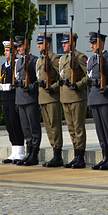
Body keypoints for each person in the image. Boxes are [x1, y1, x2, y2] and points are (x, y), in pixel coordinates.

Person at [86, 31, 108, 170]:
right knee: (100, 130)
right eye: (91, 43)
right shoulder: (91, 60)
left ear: (102, 43)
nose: (92, 45)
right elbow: (88, 81)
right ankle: (104, 156)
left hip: (105, 98)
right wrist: (89, 99)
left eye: (94, 43)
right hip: (94, 98)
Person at [59, 31, 88, 169]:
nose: (63, 45)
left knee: (78, 128)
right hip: (65, 97)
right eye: (63, 43)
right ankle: (76, 155)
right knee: (71, 129)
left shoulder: (80, 57)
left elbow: (90, 75)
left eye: (66, 43)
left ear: (73, 44)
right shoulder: (63, 59)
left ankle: (81, 157)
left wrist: (78, 84)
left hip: (77, 97)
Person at [36, 33, 64, 167]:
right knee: (48, 127)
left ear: (47, 44)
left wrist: (53, 87)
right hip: (43, 97)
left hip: (52, 97)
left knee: (55, 126)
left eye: (41, 43)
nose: (38, 46)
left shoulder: (53, 58)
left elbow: (62, 78)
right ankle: (54, 152)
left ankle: (58, 155)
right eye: (38, 43)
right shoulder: (40, 59)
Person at [14, 35, 41, 166]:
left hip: (30, 99)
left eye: (20, 46)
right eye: (17, 46)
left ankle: (34, 154)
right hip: (21, 99)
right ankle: (28, 152)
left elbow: (39, 80)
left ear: (27, 46)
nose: (18, 48)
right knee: (25, 129)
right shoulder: (18, 62)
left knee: (33, 127)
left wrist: (32, 87)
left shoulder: (34, 61)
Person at [0, 40, 25, 164]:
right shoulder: (4, 66)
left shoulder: (17, 64)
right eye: (5, 50)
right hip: (5, 98)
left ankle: (20, 151)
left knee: (16, 124)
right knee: (9, 126)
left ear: (14, 52)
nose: (6, 53)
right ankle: (14, 151)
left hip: (14, 98)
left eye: (8, 50)